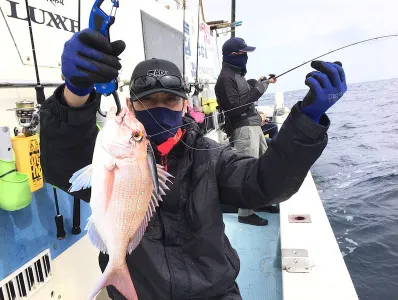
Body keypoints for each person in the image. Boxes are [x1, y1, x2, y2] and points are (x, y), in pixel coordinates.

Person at [39, 28, 347, 300]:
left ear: (185, 104)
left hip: (213, 292)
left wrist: (307, 121)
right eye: (148, 100)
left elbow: (263, 184)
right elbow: (62, 166)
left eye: (170, 100)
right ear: (131, 106)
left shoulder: (211, 156)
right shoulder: (108, 155)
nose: (160, 108)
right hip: (137, 292)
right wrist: (75, 93)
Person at [215, 37, 279, 226]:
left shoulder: (237, 75)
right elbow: (234, 108)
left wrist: (262, 83)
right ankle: (245, 213)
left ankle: (261, 202)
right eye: (244, 53)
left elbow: (245, 93)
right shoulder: (225, 78)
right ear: (234, 55)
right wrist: (258, 89)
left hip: (254, 128)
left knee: (263, 166)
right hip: (243, 130)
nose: (246, 57)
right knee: (248, 172)